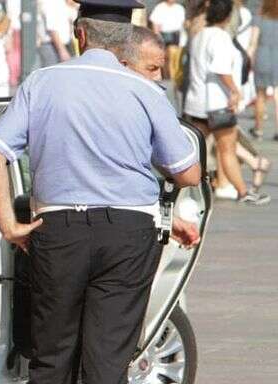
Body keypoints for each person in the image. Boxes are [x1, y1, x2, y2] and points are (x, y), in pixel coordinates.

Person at [0, 0, 202, 384]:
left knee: (51, 362)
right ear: (127, 41)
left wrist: (9, 226)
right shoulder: (144, 91)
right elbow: (188, 172)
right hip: (128, 235)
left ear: (80, 33)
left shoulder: (41, 81)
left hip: (57, 230)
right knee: (106, 365)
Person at [119, 25, 202, 248]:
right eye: (152, 68)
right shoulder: (150, 100)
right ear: (124, 65)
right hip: (126, 226)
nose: (158, 77)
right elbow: (189, 175)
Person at [183, 0, 270, 205]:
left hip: (196, 103)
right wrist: (235, 91)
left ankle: (184, 188)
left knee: (194, 150)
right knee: (227, 150)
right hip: (217, 103)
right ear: (228, 16)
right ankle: (242, 191)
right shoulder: (220, 37)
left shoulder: (200, 35)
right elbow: (221, 69)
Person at [252, 0, 278, 140]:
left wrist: (249, 60)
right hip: (277, 58)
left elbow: (253, 42)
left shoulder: (259, 18)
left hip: (262, 56)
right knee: (277, 96)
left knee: (260, 95)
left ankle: (259, 129)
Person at [149, 0, 186, 80]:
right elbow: (155, 26)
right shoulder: (160, 7)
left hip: (177, 37)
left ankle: (173, 77)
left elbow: (182, 26)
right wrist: (158, 40)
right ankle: (167, 77)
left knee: (175, 57)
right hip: (164, 36)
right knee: (166, 57)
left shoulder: (180, 8)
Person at [37, 0, 75, 67]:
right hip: (53, 46)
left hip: (61, 45)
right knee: (52, 74)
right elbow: (52, 28)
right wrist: (62, 50)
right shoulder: (52, 2)